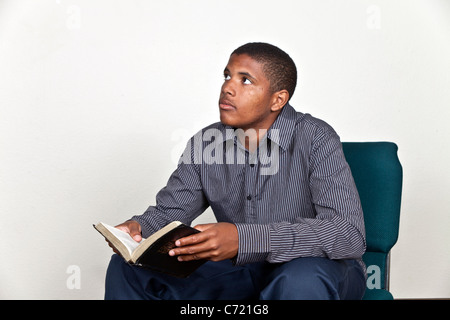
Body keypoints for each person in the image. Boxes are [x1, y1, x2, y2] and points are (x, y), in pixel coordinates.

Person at [104, 42, 367, 300]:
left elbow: (348, 233)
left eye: (246, 80)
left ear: (278, 100)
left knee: (297, 280)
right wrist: (137, 228)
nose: (228, 87)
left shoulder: (316, 138)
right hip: (241, 270)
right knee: (128, 269)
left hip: (316, 269)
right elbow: (170, 213)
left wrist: (244, 239)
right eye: (227, 76)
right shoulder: (205, 142)